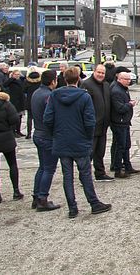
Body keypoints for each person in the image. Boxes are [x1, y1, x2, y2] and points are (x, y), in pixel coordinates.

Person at [44, 67, 112, 218]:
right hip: (80, 140)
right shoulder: (84, 97)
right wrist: (88, 137)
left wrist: (56, 133)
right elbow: (90, 121)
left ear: (64, 79)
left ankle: (72, 208)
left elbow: (47, 118)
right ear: (78, 79)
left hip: (62, 140)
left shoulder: (55, 95)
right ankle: (93, 203)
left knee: (67, 175)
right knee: (85, 174)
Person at [30, 70, 62, 211]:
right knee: (49, 168)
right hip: (47, 136)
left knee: (42, 167)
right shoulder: (49, 96)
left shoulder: (36, 93)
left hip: (38, 133)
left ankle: (37, 196)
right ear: (53, 81)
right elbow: (51, 117)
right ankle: (43, 198)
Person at [81, 64, 114, 182]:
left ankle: (100, 173)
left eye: (103, 73)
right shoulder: (86, 85)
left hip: (104, 125)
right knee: (89, 153)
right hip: (92, 126)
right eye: (99, 72)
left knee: (100, 152)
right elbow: (83, 106)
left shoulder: (106, 85)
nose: (100, 75)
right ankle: (84, 176)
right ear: (94, 72)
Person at [110, 71, 140, 178]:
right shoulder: (116, 91)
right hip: (119, 122)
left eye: (129, 79)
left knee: (126, 145)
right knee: (120, 146)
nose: (129, 81)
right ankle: (118, 169)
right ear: (119, 79)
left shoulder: (123, 89)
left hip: (125, 122)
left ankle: (128, 166)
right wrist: (130, 104)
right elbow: (119, 108)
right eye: (126, 79)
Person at [4, 69, 26, 138]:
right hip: (14, 100)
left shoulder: (21, 81)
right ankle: (13, 131)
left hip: (21, 100)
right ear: (13, 75)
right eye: (16, 74)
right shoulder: (11, 81)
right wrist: (12, 78)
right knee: (14, 117)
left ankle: (18, 131)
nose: (17, 76)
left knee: (20, 117)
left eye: (18, 74)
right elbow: (5, 84)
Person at [24, 69, 41, 140]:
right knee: (39, 117)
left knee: (29, 117)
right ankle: (39, 131)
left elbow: (24, 90)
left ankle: (29, 133)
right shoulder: (40, 81)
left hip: (29, 101)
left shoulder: (27, 81)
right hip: (38, 100)